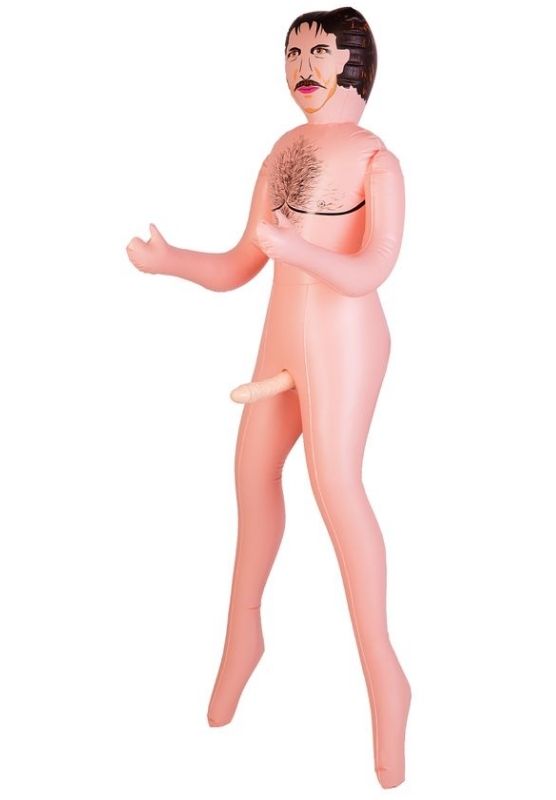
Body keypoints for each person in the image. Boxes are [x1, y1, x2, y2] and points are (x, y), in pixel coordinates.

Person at [126, 6, 411, 789]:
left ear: (353, 61)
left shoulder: (376, 160)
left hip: (346, 342)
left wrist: (295, 248)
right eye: (292, 52)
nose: (302, 66)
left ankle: (385, 678)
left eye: (318, 51)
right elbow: (237, 264)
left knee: (335, 486)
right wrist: (171, 261)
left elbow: (374, 268)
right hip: (282, 339)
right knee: (251, 473)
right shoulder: (281, 150)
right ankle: (243, 638)